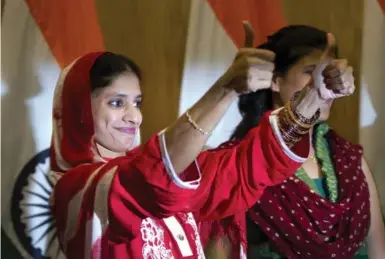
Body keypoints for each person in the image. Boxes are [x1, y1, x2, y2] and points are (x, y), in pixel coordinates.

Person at [49, 23, 351, 258]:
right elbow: (151, 181)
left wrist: (313, 96)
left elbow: (247, 168)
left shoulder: (172, 172)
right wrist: (225, 89)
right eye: (116, 103)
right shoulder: (75, 189)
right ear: (79, 110)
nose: (134, 117)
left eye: (137, 103)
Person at [203, 25, 385, 259]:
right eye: (311, 71)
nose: (323, 83)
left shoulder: (350, 160)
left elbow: (379, 250)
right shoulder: (238, 163)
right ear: (276, 81)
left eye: (328, 73)